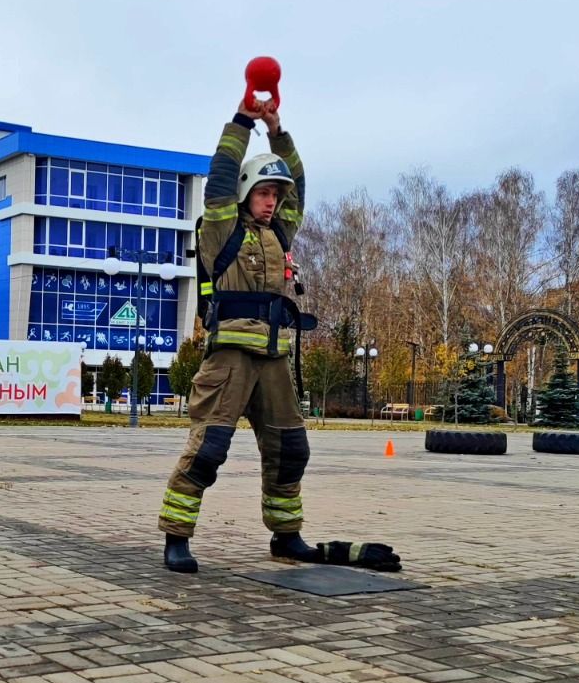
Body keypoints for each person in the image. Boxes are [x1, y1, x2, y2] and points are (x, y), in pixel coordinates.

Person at [157, 94, 399, 576]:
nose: (272, 202)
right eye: (265, 193)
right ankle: (176, 539)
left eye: (276, 196)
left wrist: (277, 129)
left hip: (273, 359)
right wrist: (244, 121)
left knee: (291, 450)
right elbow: (221, 174)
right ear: (247, 193)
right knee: (208, 450)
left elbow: (300, 185)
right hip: (229, 359)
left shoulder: (279, 235)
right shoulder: (222, 228)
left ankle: (287, 537)